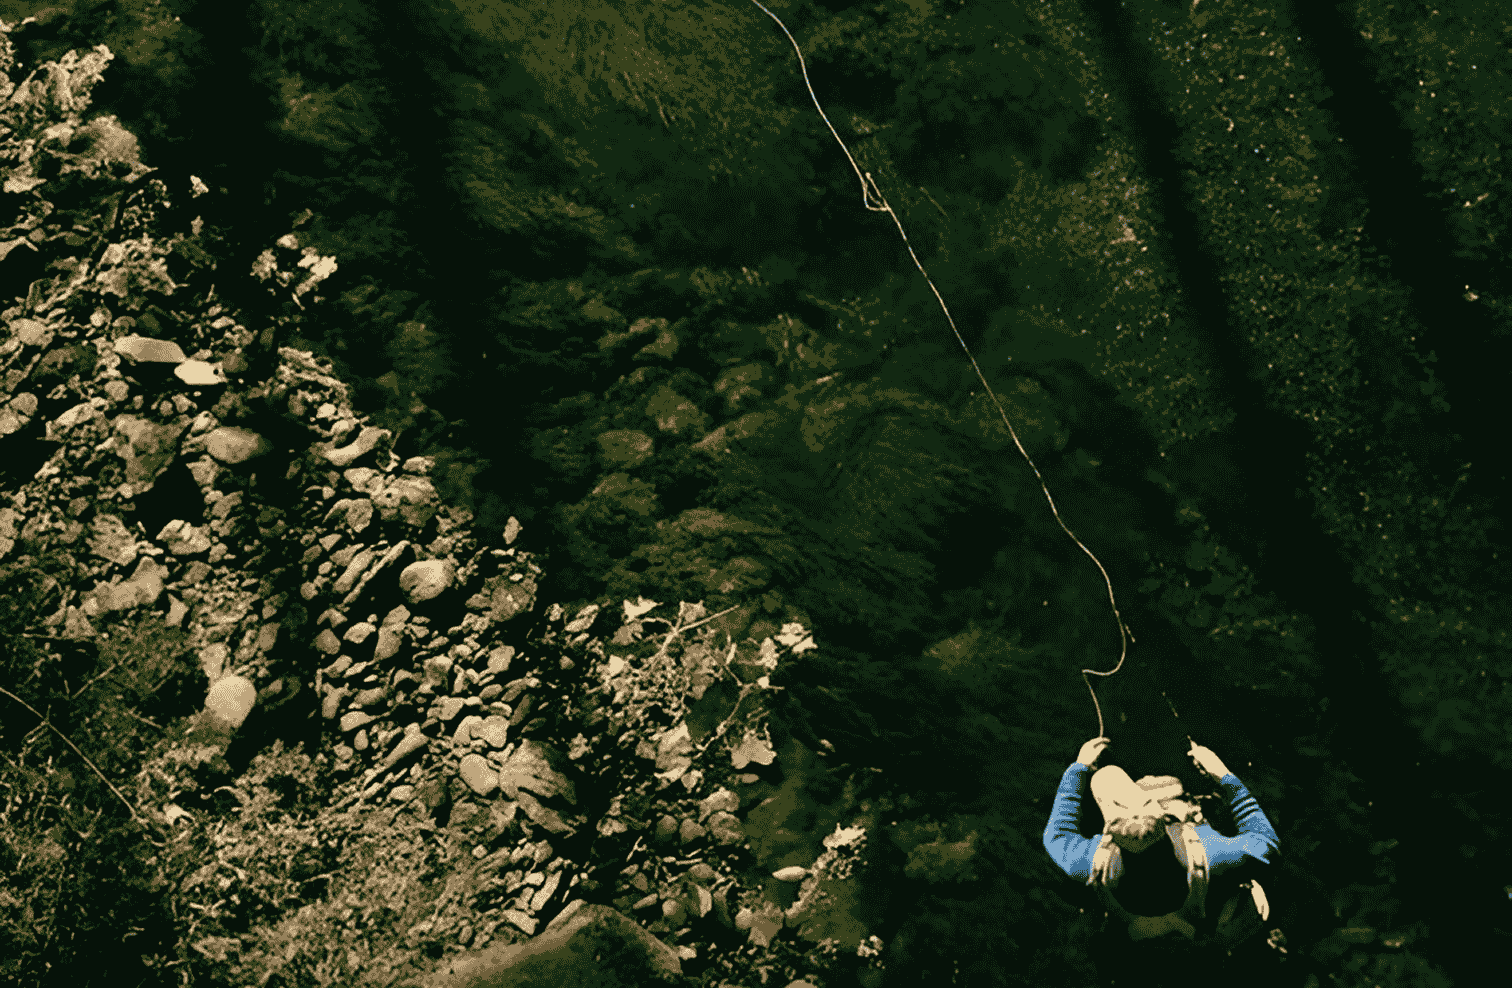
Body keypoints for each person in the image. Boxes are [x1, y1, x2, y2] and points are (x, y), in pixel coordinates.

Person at [1042, 735, 1279, 959]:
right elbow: (1266, 842)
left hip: (1141, 940)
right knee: (1176, 790)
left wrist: (1078, 768)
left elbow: (1056, 836)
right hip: (1206, 922)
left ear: (1107, 831)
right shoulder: (1213, 852)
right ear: (1161, 812)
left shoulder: (1091, 862)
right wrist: (1224, 776)